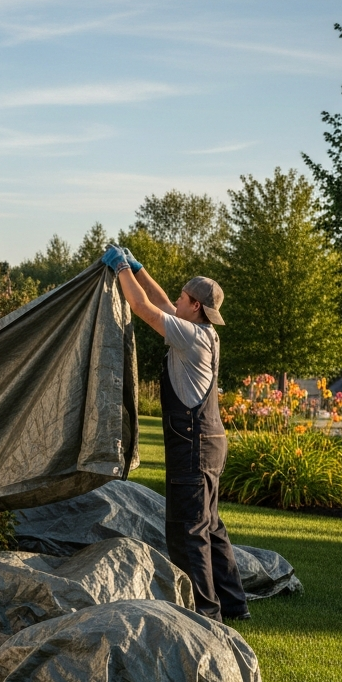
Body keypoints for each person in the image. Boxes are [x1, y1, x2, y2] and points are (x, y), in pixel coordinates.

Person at [101, 244, 249, 622]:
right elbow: (163, 300)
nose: (177, 301)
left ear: (195, 306)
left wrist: (121, 270)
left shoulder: (191, 337)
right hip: (210, 442)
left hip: (193, 446)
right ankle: (233, 604)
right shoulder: (203, 332)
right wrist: (139, 267)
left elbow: (143, 308)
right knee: (211, 526)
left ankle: (204, 615)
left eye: (184, 298)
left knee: (189, 532)